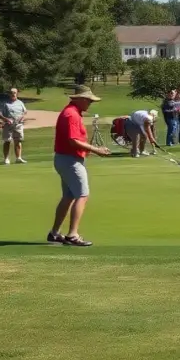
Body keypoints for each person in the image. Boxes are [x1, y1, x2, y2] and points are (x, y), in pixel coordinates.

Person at [48, 86, 110, 247]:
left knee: (69, 196)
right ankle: (72, 234)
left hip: (65, 159)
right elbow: (73, 140)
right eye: (88, 100)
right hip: (70, 160)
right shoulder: (71, 114)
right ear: (79, 99)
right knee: (83, 194)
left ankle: (55, 233)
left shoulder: (72, 112)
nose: (90, 103)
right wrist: (97, 150)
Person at [0, 87, 28, 164]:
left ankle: (18, 158)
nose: (13, 94)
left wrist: (22, 117)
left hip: (18, 124)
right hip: (8, 125)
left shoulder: (20, 103)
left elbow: (25, 112)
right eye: (11, 92)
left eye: (14, 92)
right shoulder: (5, 103)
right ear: (9, 94)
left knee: (18, 141)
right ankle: (6, 159)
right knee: (7, 141)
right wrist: (6, 119)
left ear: (17, 93)